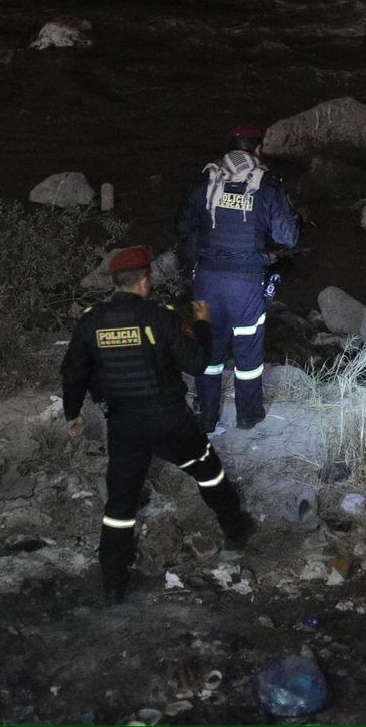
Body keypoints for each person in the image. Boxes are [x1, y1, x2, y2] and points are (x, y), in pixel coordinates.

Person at [61, 246, 257, 603]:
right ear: (145, 279)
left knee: (120, 505)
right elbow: (197, 363)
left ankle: (113, 582)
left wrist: (71, 413)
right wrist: (201, 324)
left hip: (124, 424)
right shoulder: (160, 316)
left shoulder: (92, 320)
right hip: (169, 420)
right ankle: (236, 529)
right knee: (208, 471)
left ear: (115, 282)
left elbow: (74, 371)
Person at [174, 123, 301, 433]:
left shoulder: (205, 180)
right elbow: (288, 238)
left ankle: (206, 416)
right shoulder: (268, 185)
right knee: (247, 350)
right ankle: (248, 416)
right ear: (257, 149)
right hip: (246, 283)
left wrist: (204, 251)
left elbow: (181, 228)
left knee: (208, 346)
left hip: (206, 280)